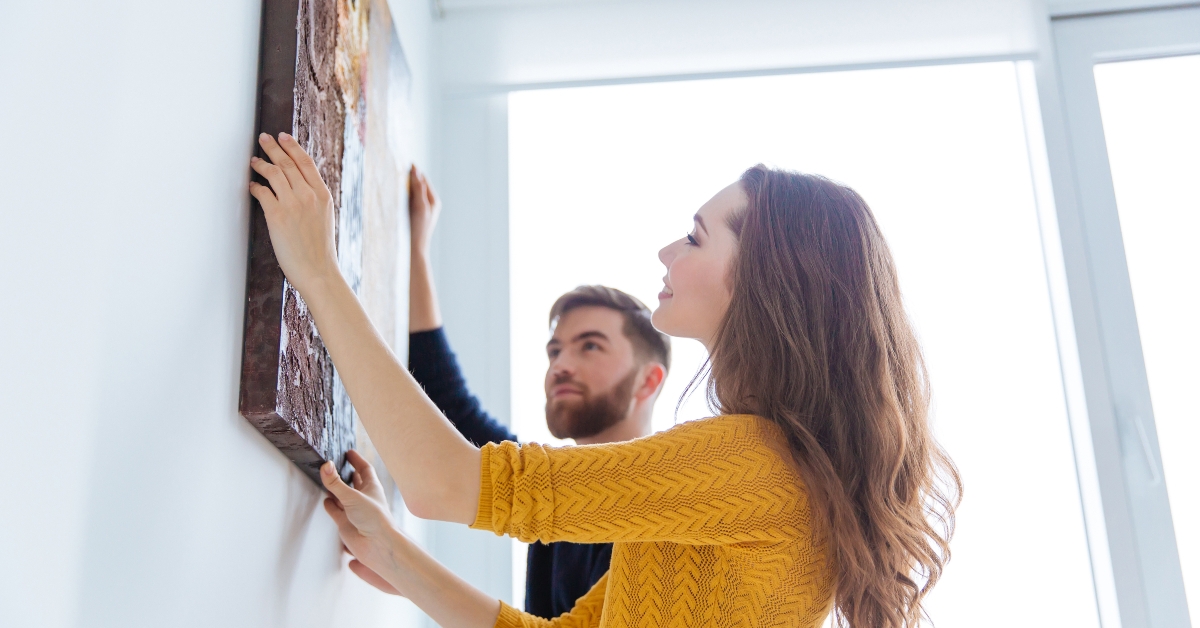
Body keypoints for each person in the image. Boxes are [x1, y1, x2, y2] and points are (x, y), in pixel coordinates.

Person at [248, 132, 962, 628]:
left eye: (694, 236)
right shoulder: (749, 474)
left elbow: (442, 484)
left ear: (765, 279)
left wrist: (315, 269)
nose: (665, 250)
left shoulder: (749, 463)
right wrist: (396, 558)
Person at [405, 166, 671, 618]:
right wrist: (416, 251)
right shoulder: (553, 489)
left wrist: (399, 563)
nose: (560, 365)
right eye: (554, 350)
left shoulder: (661, 516)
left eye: (590, 346)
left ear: (649, 380)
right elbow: (449, 405)